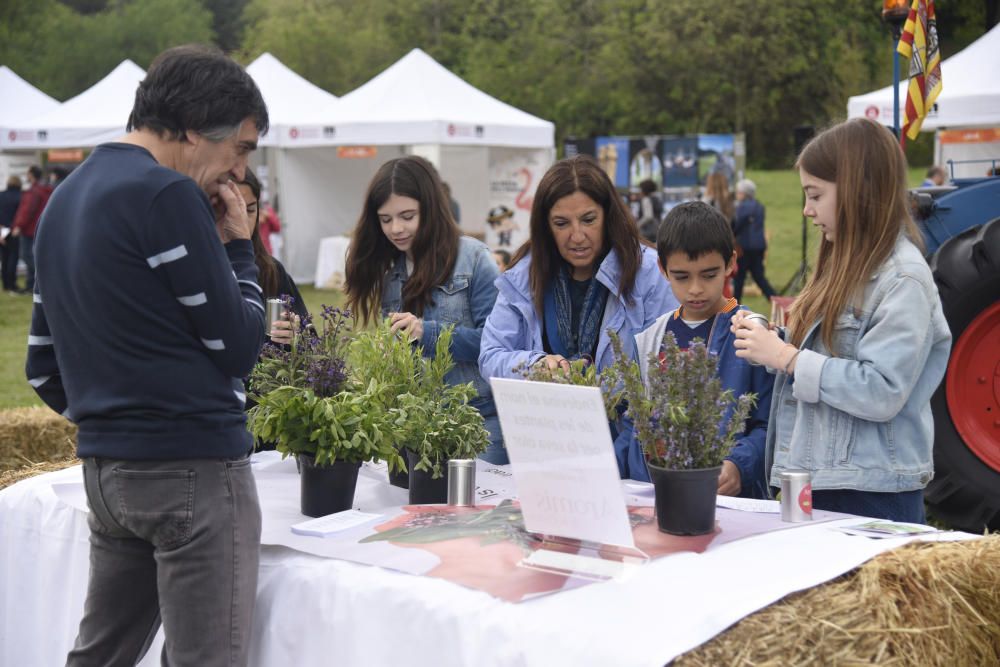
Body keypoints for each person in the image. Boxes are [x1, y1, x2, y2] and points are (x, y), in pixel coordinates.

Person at [26, 44, 269, 666]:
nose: (238, 173)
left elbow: (41, 364)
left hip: (108, 470)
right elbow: (240, 346)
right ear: (194, 128)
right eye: (240, 147)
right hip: (192, 464)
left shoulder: (64, 198)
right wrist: (241, 250)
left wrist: (115, 417)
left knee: (99, 655)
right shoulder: (166, 195)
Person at [732, 118, 951, 523]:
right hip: (817, 477)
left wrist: (788, 358)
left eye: (815, 195)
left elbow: (882, 390)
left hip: (872, 492)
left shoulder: (904, 279)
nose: (806, 209)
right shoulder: (842, 266)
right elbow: (832, 356)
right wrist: (773, 341)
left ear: (856, 192)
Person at [479, 154, 678, 454]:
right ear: (545, 226)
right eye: (561, 223)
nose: (577, 236)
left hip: (628, 449)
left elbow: (668, 365)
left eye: (588, 219)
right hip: (542, 444)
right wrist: (536, 366)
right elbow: (490, 356)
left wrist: (600, 390)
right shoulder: (523, 276)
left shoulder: (649, 273)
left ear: (608, 216)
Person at [344, 156, 504, 462]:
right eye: (386, 219)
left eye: (407, 216)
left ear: (430, 209)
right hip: (415, 428)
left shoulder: (473, 258)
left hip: (479, 425)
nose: (396, 228)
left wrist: (426, 333)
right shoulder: (388, 272)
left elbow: (496, 346)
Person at [618, 202, 773, 498]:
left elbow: (771, 424)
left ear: (731, 263)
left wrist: (739, 465)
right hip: (659, 498)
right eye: (682, 276)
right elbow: (634, 426)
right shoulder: (649, 340)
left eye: (709, 274)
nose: (696, 289)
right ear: (663, 269)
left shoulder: (750, 333)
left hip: (729, 502)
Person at [732, 178, 776, 302]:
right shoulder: (759, 206)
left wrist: (731, 233)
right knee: (759, 277)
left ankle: (734, 306)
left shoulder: (741, 207)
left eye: (738, 192)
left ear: (743, 193)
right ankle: (776, 300)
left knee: (739, 278)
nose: (737, 194)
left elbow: (737, 225)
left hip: (744, 247)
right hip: (759, 246)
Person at [10, 165, 52, 294]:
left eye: (28, 173)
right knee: (32, 256)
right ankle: (30, 286)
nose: (26, 176)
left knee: (26, 255)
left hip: (29, 229)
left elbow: (28, 210)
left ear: (32, 175)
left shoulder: (33, 191)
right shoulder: (45, 190)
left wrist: (18, 225)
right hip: (39, 228)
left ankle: (44, 281)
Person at [0, 175, 22, 292]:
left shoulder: (1, 195)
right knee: (13, 257)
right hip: (14, 230)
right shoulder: (20, 196)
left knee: (4, 258)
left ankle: (5, 285)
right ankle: (12, 283)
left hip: (2, 229)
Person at [636, 178, 663, 243]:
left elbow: (648, 216)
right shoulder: (657, 198)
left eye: (641, 189)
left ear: (644, 190)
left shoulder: (646, 199)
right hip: (657, 229)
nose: (640, 191)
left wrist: (637, 225)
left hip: (647, 231)